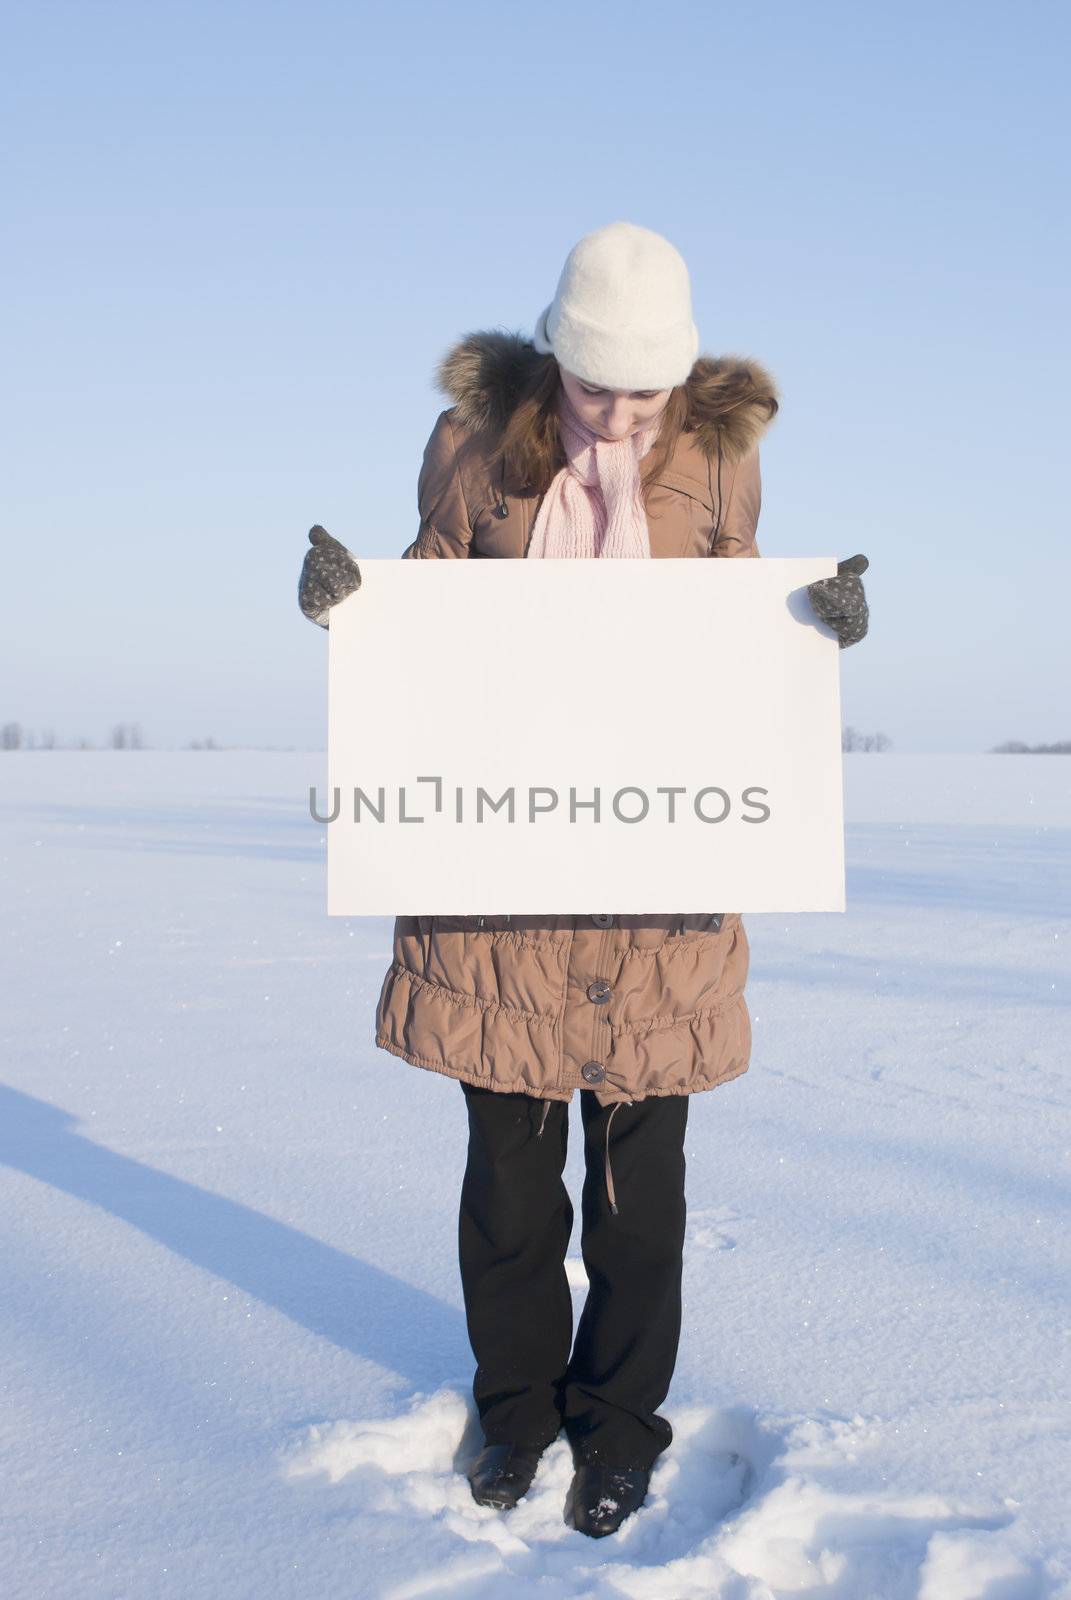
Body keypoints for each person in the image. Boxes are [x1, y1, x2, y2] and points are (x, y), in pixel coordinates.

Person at [298, 221, 869, 1539]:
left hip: (653, 897)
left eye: (644, 388)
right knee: (508, 1190)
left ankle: (617, 1432)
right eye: (596, 380)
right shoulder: (475, 447)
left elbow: (738, 622)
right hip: (498, 888)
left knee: (637, 1200)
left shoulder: (720, 455)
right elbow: (425, 608)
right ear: (557, 354)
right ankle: (514, 1418)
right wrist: (349, 606)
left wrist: (815, 631)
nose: (618, 411)